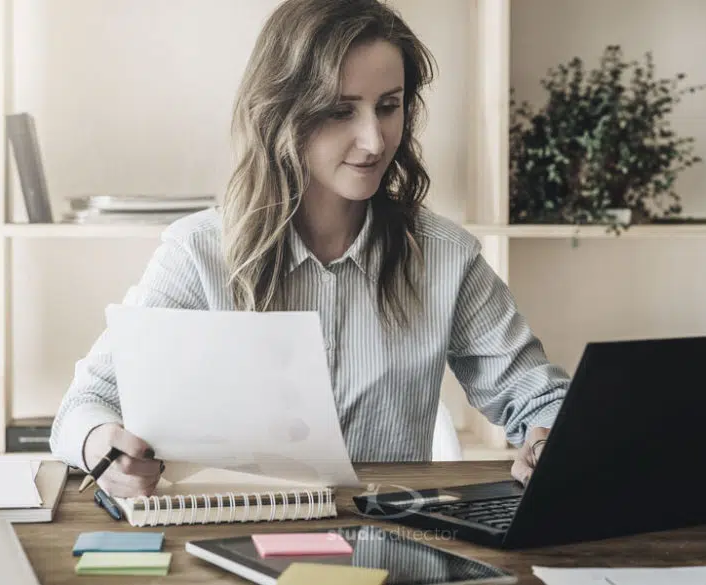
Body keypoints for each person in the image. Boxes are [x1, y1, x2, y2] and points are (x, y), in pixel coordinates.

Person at [49, 0, 569, 498]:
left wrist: (546, 439)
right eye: (341, 111)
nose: (374, 140)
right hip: (226, 538)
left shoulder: (445, 256)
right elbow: (84, 406)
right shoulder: (197, 252)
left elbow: (542, 397)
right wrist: (105, 449)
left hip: (385, 543)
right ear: (283, 112)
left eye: (389, 107)